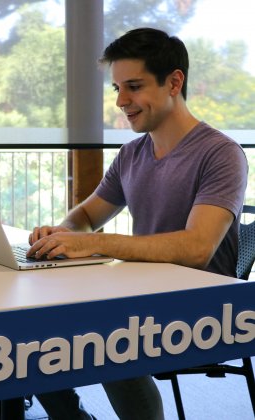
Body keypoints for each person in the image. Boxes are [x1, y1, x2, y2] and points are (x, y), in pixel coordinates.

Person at [29, 27, 248, 420]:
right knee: (31, 313)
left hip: (202, 308)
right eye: (116, 88)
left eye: (133, 86)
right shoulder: (132, 154)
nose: (121, 101)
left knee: (99, 324)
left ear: (174, 82)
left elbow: (198, 249)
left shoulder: (221, 154)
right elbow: (86, 216)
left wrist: (97, 244)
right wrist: (64, 233)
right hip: (142, 293)